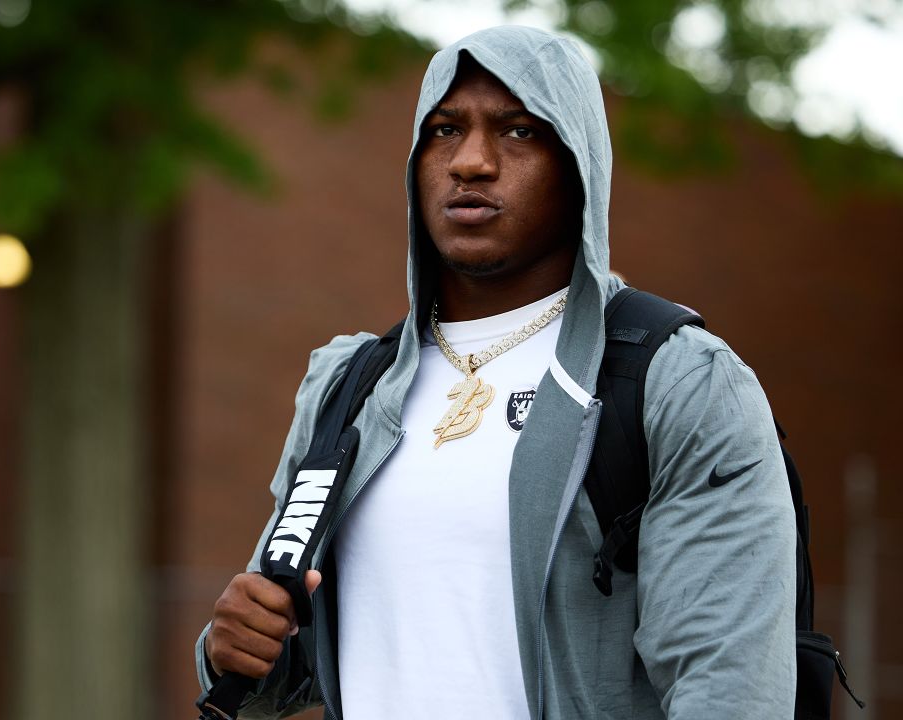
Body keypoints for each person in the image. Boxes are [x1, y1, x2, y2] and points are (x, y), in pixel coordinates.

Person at [195, 25, 795, 719]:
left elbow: (731, 688)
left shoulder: (675, 382)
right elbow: (276, 672)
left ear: (579, 167)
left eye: (518, 132)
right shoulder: (350, 385)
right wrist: (228, 649)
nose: (471, 161)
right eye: (445, 130)